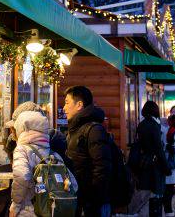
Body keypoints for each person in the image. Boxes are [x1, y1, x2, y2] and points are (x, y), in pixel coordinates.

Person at [9, 110, 77, 217]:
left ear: (23, 128)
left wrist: (16, 204)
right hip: (51, 211)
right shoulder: (54, 155)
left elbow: (22, 176)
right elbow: (74, 185)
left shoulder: (21, 150)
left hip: (29, 210)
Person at [63, 86, 112, 217]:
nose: (64, 108)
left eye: (67, 102)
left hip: (91, 202)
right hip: (79, 197)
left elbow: (102, 167)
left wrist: (92, 199)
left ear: (79, 105)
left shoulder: (93, 130)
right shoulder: (74, 130)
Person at [135, 100, 169, 217]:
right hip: (155, 163)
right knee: (156, 192)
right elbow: (158, 148)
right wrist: (166, 166)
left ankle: (148, 213)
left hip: (144, 161)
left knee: (148, 191)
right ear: (155, 111)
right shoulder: (154, 125)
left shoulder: (141, 124)